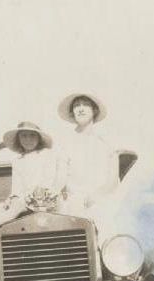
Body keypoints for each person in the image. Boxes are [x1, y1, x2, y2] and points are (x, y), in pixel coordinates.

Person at [57, 92, 139, 240]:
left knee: (108, 232)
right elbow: (61, 178)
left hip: (102, 200)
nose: (80, 109)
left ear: (94, 110)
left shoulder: (106, 141)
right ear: (72, 112)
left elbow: (112, 181)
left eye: (85, 105)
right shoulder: (65, 143)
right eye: (76, 105)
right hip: (73, 203)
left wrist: (95, 197)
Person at [0, 121, 66, 239]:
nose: (28, 139)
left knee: (19, 204)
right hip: (28, 200)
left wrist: (31, 195)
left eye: (32, 135)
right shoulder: (18, 161)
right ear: (18, 139)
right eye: (24, 136)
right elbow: (17, 186)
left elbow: (49, 179)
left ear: (39, 138)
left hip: (47, 198)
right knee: (4, 205)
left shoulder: (46, 154)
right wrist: (12, 198)